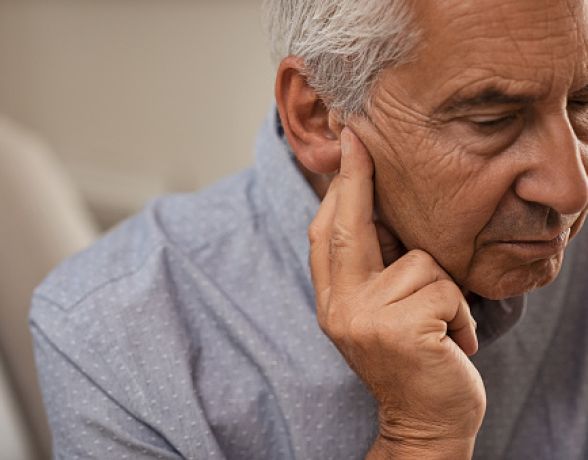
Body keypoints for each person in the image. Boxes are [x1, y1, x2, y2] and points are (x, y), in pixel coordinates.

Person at [30, 0, 588, 458]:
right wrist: (418, 439)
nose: (571, 188)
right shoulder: (112, 333)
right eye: (492, 120)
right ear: (319, 115)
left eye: (583, 104)